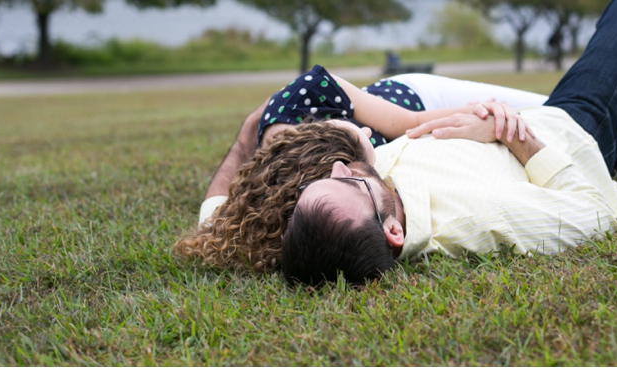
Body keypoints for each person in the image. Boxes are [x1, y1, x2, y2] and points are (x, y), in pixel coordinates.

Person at [281, 0, 617, 286]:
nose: (336, 166)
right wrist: (511, 135)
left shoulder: (375, 195)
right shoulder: (489, 214)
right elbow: (594, 212)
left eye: (323, 179)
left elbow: (220, 217)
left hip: (516, 113)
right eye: (347, 182)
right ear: (393, 231)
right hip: (572, 131)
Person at [177, 66, 548, 272]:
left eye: (359, 133)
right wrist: (246, 133)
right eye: (367, 142)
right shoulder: (314, 207)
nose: (368, 133)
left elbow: (413, 122)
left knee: (542, 109)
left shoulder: (310, 92)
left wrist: (487, 116)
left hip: (415, 98)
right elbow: (215, 216)